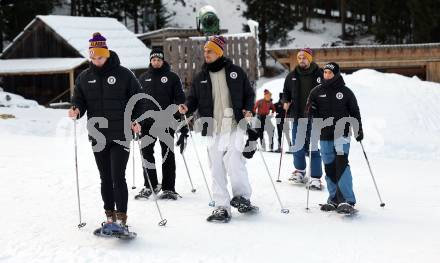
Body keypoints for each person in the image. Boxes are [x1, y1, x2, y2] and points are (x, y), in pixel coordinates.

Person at [68, 32, 144, 231]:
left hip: (121, 133)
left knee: (117, 175)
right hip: (98, 135)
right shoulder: (84, 77)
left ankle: (121, 219)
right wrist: (76, 108)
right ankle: (109, 217)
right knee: (105, 177)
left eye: (99, 57)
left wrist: (135, 119)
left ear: (107, 54)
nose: (96, 61)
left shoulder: (124, 74)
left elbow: (138, 99)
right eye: (92, 58)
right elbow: (80, 100)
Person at [178, 35, 256, 223]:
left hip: (235, 124)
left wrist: (248, 109)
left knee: (234, 160)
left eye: (210, 51)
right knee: (216, 167)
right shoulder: (201, 77)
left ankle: (242, 197)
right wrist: (187, 107)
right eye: (205, 51)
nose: (206, 54)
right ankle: (222, 205)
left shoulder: (235, 72)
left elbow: (248, 94)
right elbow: (193, 98)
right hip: (212, 128)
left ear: (219, 52)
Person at [307, 62, 363, 214]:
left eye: (330, 73)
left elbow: (354, 111)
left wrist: (358, 129)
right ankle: (333, 199)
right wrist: (311, 110)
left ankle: (347, 200)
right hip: (324, 133)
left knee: (342, 164)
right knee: (329, 166)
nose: (327, 75)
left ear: (336, 74)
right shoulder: (316, 92)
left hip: (342, 133)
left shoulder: (346, 92)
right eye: (325, 73)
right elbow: (309, 110)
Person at [136, 48, 186, 200]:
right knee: (146, 153)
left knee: (167, 154)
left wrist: (180, 107)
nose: (156, 62)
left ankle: (168, 188)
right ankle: (150, 185)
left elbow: (179, 97)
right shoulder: (143, 77)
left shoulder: (172, 77)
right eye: (153, 60)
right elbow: (138, 100)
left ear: (163, 60)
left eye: (158, 59)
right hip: (147, 122)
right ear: (150, 61)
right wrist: (136, 118)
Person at [282, 48, 323, 190]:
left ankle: (316, 177)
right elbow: (285, 92)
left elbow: (327, 92)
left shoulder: (320, 74)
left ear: (310, 59)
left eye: (304, 58)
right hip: (297, 116)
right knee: (297, 146)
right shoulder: (292, 75)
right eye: (299, 58)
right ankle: (300, 171)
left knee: (314, 147)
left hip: (314, 117)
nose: (301, 60)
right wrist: (285, 101)